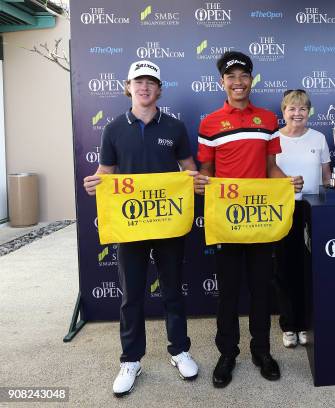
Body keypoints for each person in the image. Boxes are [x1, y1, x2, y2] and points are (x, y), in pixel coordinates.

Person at [83, 60, 206, 396]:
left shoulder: (175, 127)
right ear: (128, 87)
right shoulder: (113, 129)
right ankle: (130, 359)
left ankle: (179, 351)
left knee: (172, 291)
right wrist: (97, 182)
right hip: (130, 224)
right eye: (139, 82)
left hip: (168, 222)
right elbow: (106, 170)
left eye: (151, 82)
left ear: (160, 89)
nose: (145, 87)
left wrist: (195, 182)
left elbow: (188, 168)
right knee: (131, 295)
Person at [197, 51, 304, 388]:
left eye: (244, 76)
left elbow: (271, 168)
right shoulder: (209, 123)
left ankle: (261, 351)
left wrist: (287, 182)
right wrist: (201, 184)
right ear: (222, 82)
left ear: (251, 80)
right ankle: (227, 353)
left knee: (261, 291)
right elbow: (206, 172)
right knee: (228, 292)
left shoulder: (268, 119)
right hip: (227, 222)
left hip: (259, 220)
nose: (238, 82)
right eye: (231, 77)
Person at [273, 89, 331, 348]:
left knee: (311, 270)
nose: (297, 114)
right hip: (283, 211)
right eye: (291, 109)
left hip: (313, 211)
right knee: (285, 269)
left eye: (302, 109)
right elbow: (266, 175)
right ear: (283, 112)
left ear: (309, 112)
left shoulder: (318, 138)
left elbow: (327, 176)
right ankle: (289, 325)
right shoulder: (274, 139)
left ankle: (307, 324)